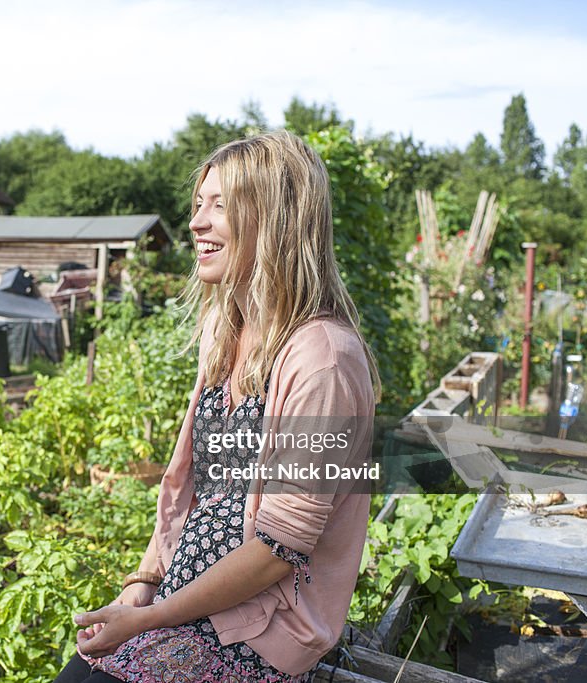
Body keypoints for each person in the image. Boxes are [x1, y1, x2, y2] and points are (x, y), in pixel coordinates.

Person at [56, 131, 380, 683]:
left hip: (260, 631)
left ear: (274, 219)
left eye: (220, 205)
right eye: (198, 204)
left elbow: (278, 550)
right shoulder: (225, 332)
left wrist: (147, 620)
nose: (196, 223)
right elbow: (193, 489)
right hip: (186, 603)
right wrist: (144, 580)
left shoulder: (322, 360)